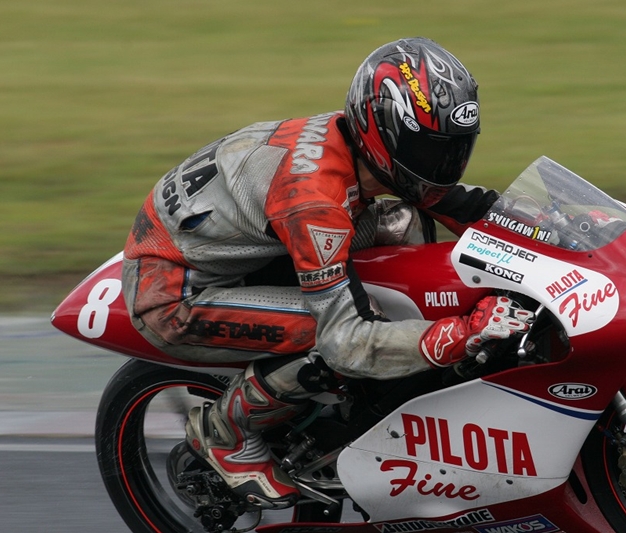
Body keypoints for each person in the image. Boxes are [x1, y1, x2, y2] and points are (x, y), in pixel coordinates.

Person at [121, 37, 532, 509]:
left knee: (406, 224)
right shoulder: (315, 201)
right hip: (175, 291)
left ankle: (391, 389)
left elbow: (459, 203)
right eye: (429, 152)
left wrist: (562, 225)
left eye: (456, 149)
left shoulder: (359, 146)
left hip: (244, 246)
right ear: (384, 136)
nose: (444, 167)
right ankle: (224, 432)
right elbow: (345, 342)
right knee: (332, 337)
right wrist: (459, 335)